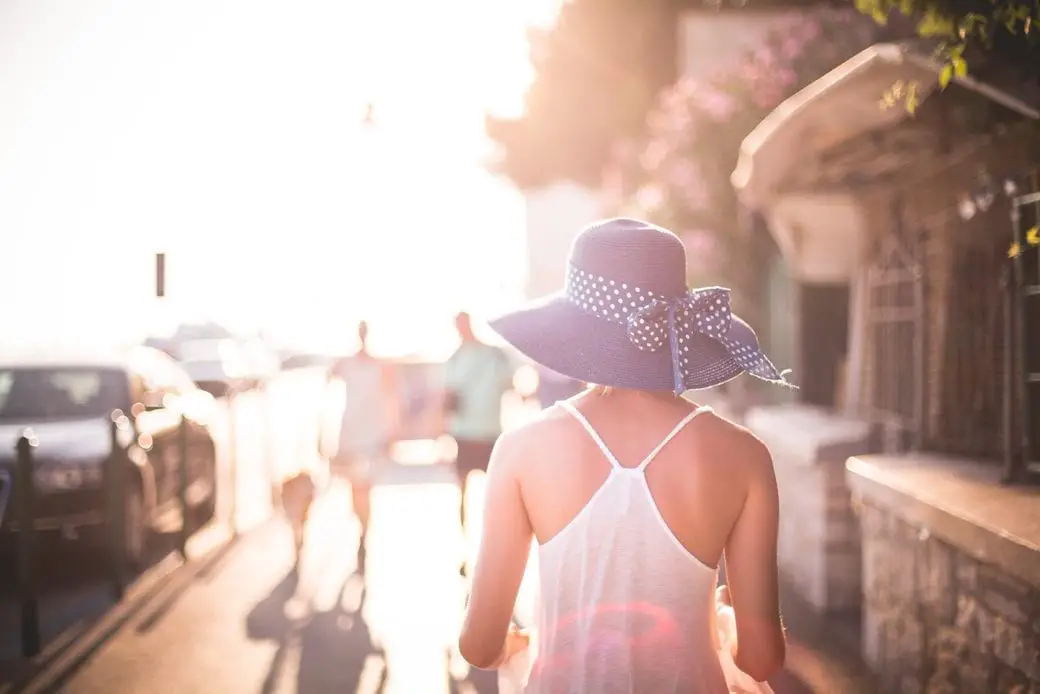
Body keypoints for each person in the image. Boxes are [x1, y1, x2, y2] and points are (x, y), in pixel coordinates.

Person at [458, 218, 794, 692]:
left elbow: (478, 645)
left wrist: (510, 646)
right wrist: (723, 619)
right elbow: (761, 659)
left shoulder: (520, 448)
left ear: (572, 331)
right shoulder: (745, 455)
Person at [442, 311, 514, 572]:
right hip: (464, 433)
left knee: (494, 495)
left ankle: (492, 548)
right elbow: (446, 399)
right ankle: (465, 547)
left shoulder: (494, 355)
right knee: (461, 492)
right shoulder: (454, 359)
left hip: (490, 433)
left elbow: (512, 388)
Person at [327, 320, 400, 574]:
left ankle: (363, 535)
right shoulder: (346, 363)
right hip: (351, 436)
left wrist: (391, 432)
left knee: (363, 488)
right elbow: (327, 385)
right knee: (355, 489)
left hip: (370, 436)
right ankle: (361, 530)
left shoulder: (379, 366)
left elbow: (391, 399)